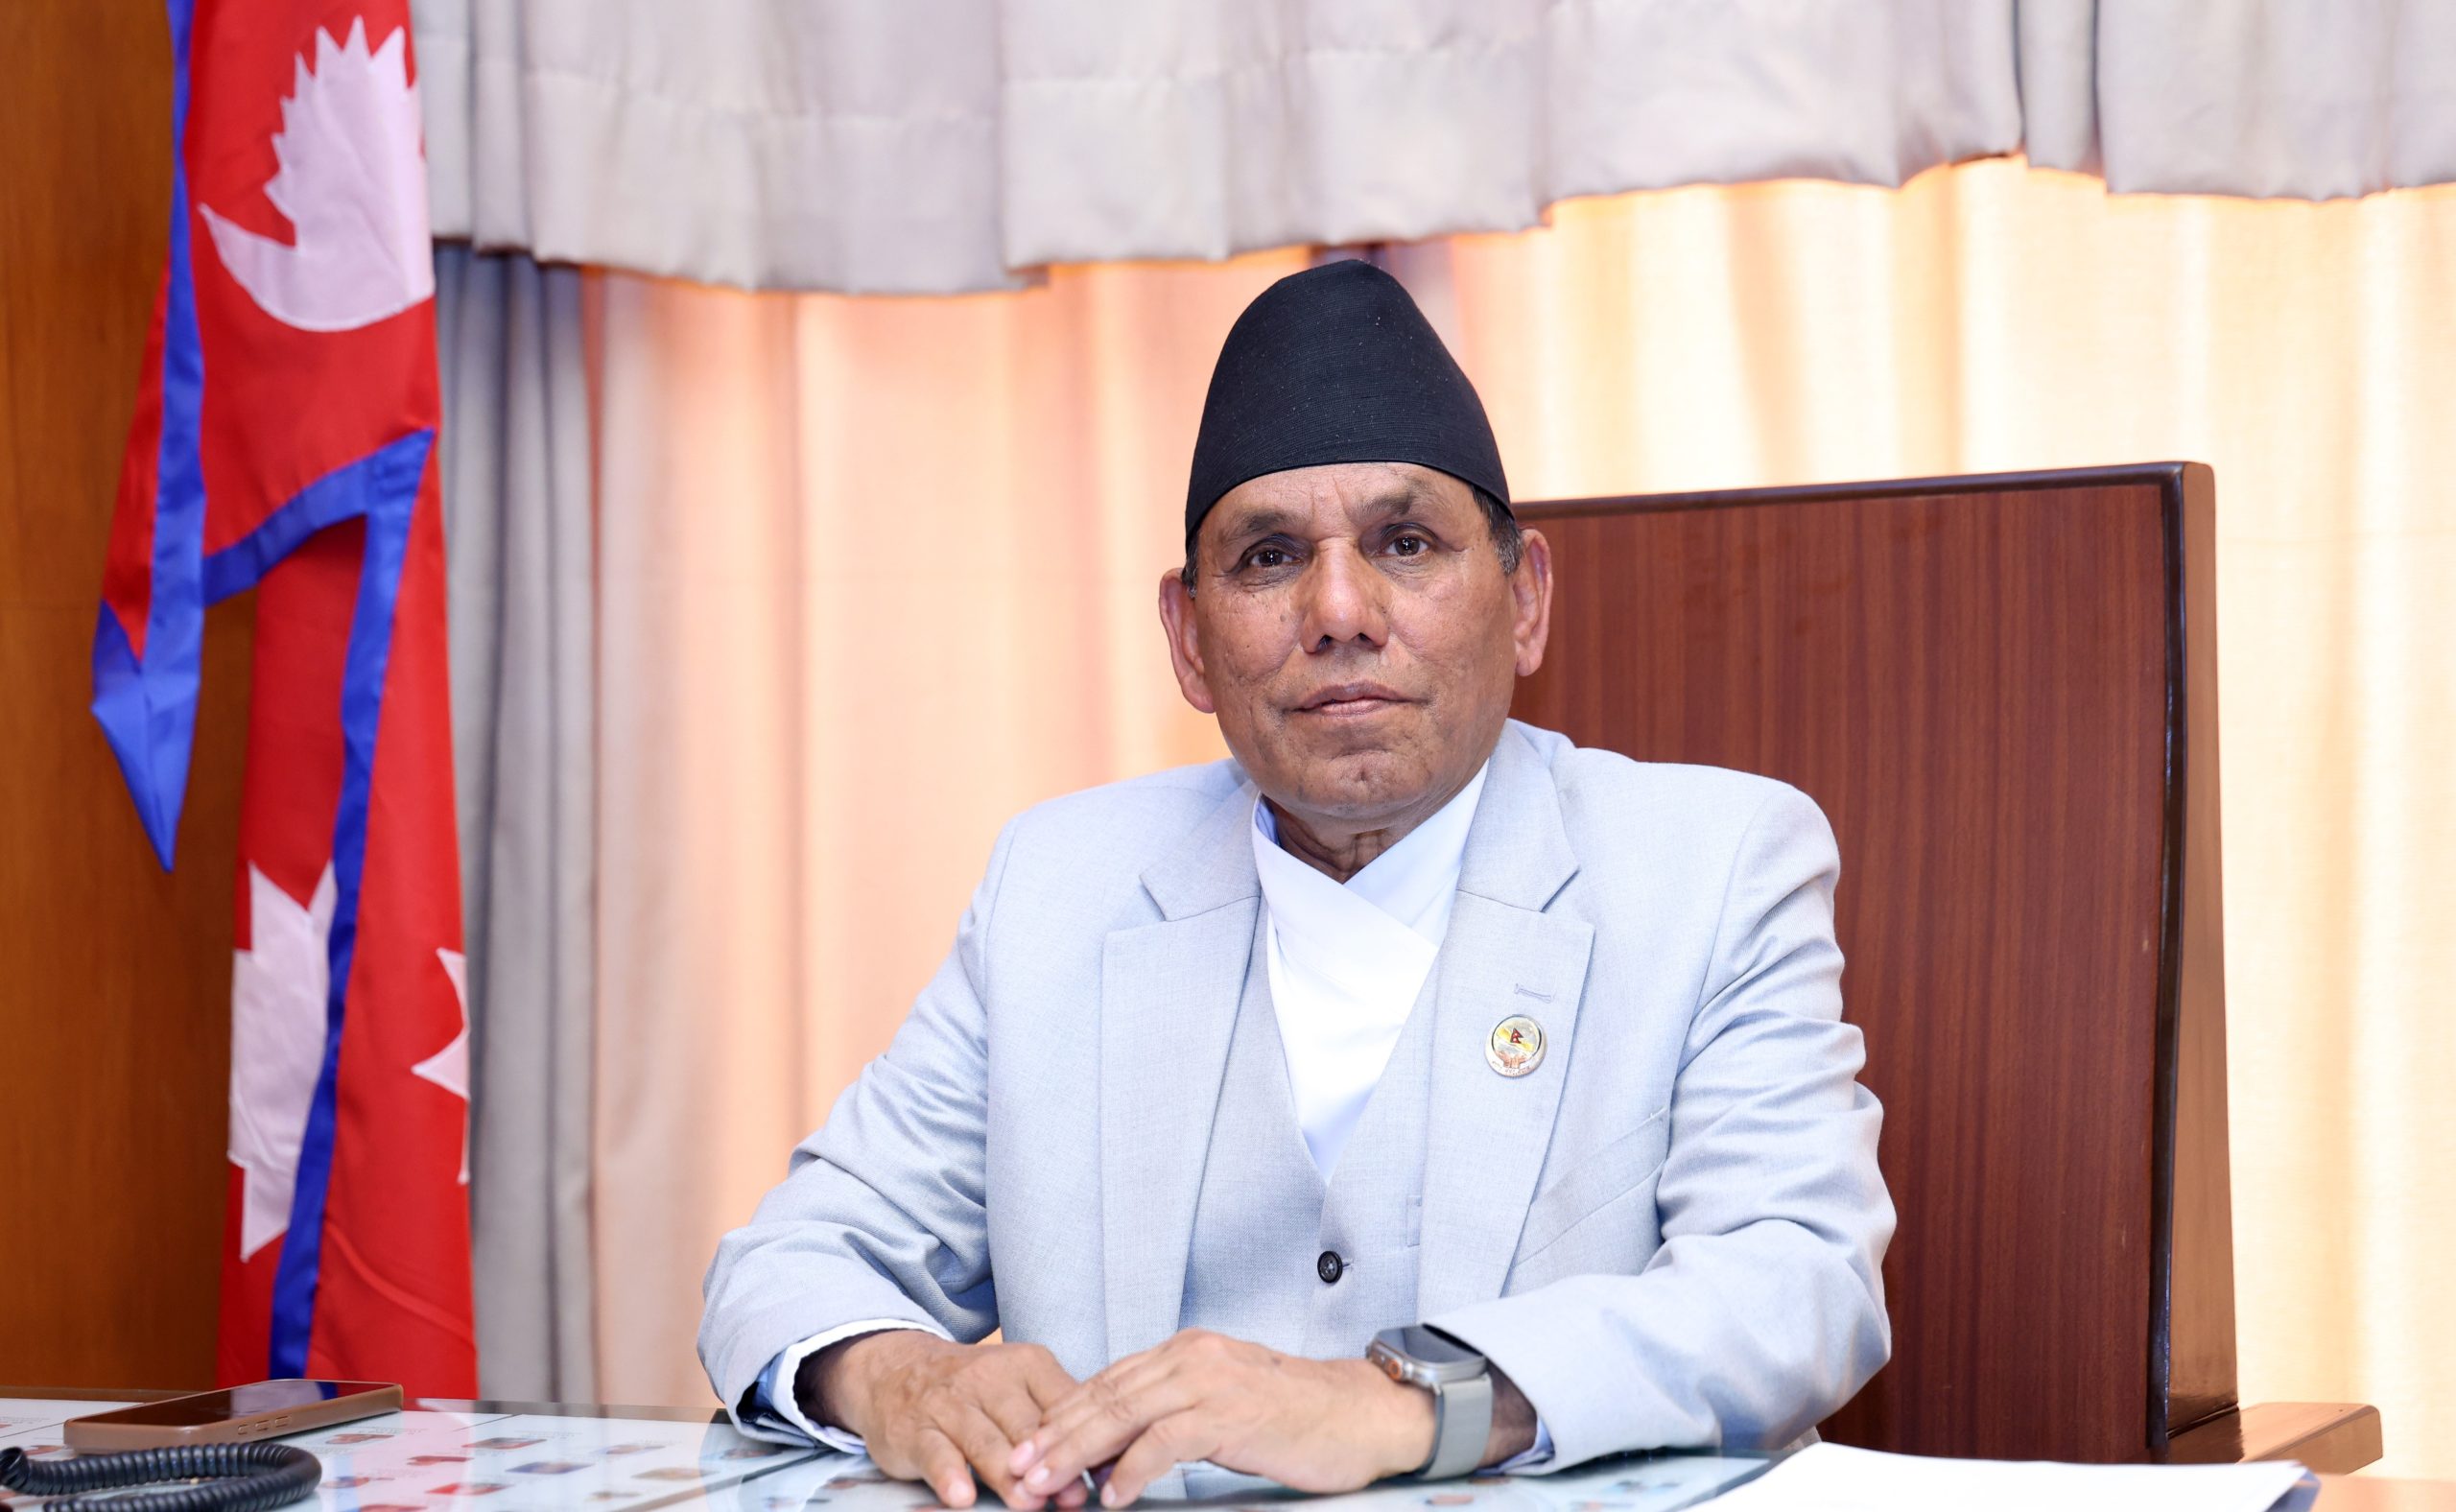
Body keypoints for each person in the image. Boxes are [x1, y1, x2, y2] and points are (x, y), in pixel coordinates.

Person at [699, 260, 1894, 1509]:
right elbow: (790, 1259)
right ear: (1188, 640)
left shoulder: (1711, 867)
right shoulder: (1060, 887)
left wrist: (1406, 1406)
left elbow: (1797, 1286)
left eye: (1405, 544)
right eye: (1270, 558)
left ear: (1526, 599)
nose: (1338, 611)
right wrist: (901, 1378)